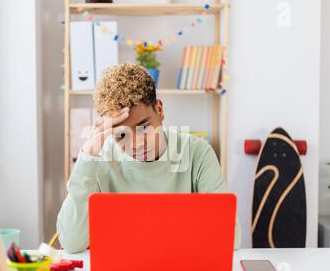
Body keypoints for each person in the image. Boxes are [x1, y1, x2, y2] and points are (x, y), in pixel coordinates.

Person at [57, 62, 241, 253]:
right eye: (121, 135)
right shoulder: (99, 161)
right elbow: (71, 242)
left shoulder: (197, 152)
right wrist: (87, 156)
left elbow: (230, 238)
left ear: (159, 111)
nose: (136, 144)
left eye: (144, 127)